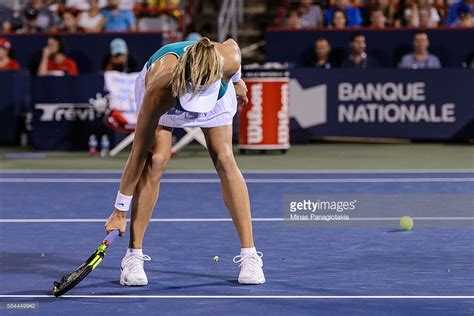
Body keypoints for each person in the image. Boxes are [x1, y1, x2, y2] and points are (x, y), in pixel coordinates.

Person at [104, 37, 265, 286]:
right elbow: (137, 153)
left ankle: (250, 255)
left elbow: (234, 49)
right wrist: (119, 210)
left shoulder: (229, 59)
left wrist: (236, 81)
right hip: (171, 95)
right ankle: (133, 255)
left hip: (217, 93)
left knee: (224, 158)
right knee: (156, 159)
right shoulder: (158, 88)